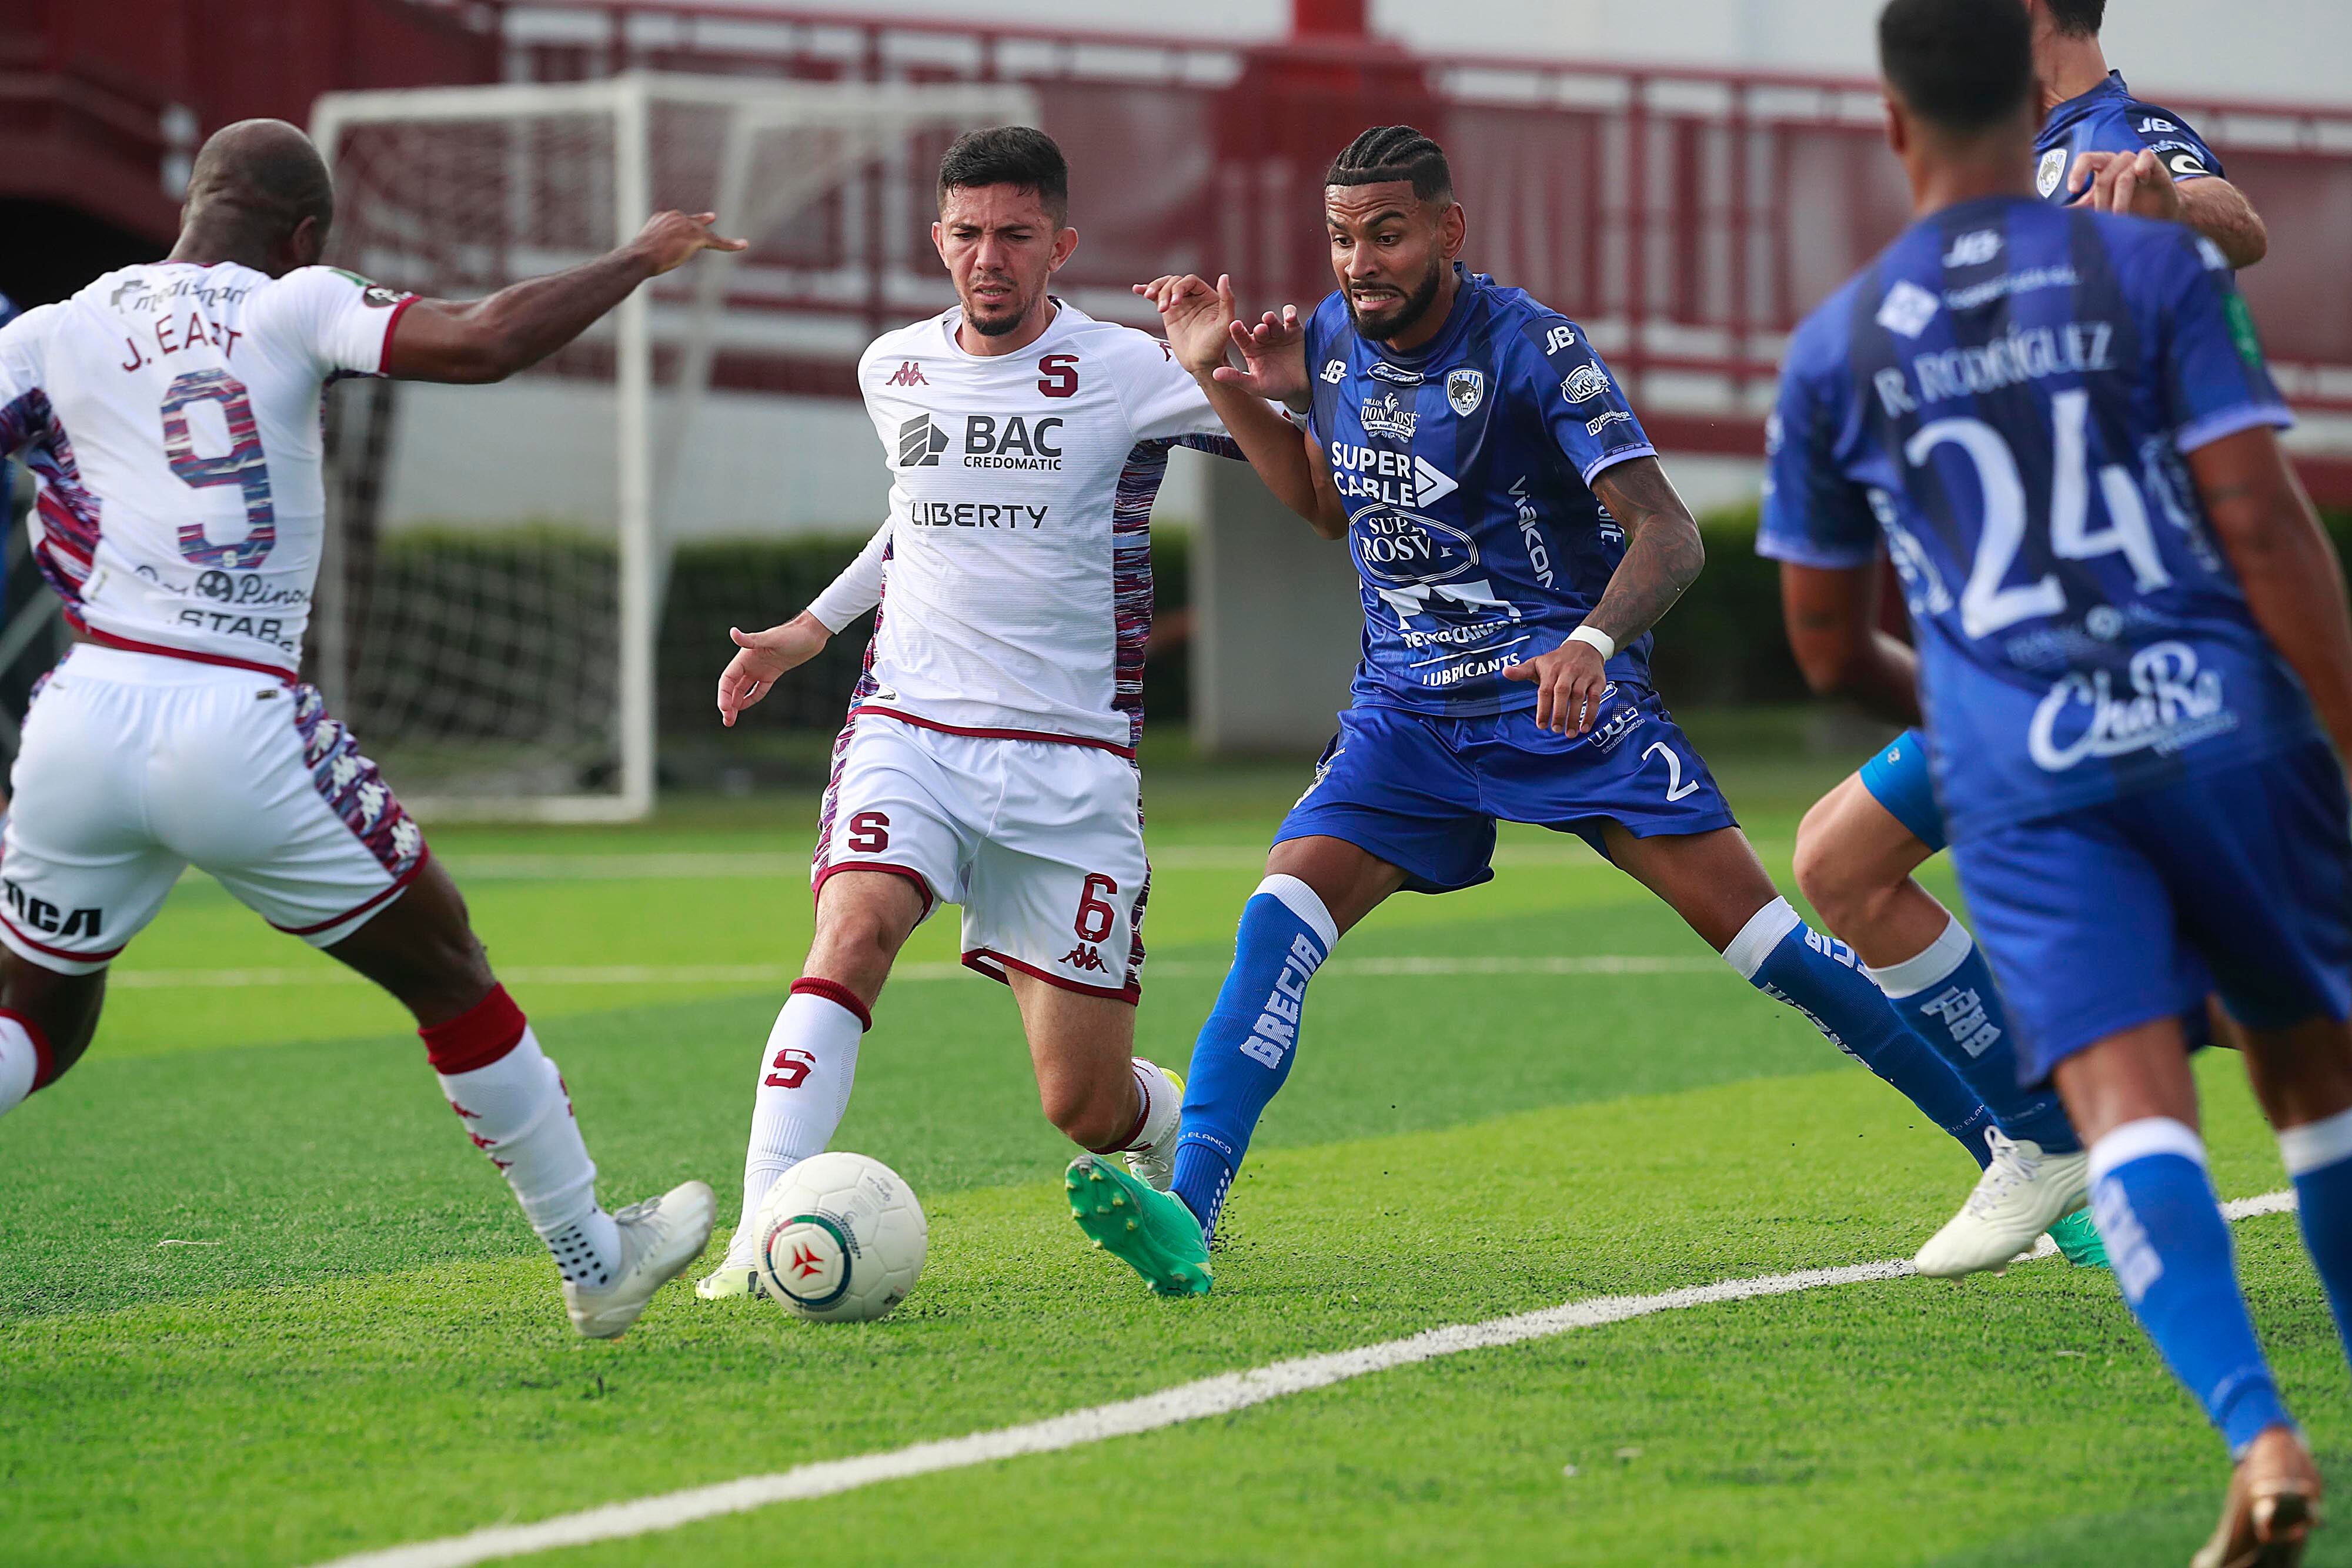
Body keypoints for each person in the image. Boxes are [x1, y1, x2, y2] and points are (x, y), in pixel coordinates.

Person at [1076, 123, 2014, 1298]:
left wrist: (1590, 642)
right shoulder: (1329, 339)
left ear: (1448, 230)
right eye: (1341, 239)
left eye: (1385, 235)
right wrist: (1219, 376)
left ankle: (2018, 1146)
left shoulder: (1534, 349)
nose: (1359, 263)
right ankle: (1190, 1211)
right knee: (1277, 920)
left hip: (1561, 701)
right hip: (1407, 713)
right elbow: (1323, 505)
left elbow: (1668, 535)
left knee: (1768, 945)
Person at [1762, 1, 2352, 1558]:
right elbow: (2264, 518)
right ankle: (2040, 1143)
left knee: (2128, 1103)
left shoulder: (1844, 337)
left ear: (1893, 120)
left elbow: (1820, 640)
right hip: (2212, 706)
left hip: (2029, 742)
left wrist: (1982, 718)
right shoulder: (2133, 261)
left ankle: (2258, 1430)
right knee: (2311, 1087)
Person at [0, 119, 742, 1339]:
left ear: (190, 208)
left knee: (35, 1019)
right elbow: (488, 338)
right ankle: (593, 1257)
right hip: (235, 719)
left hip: (81, 718)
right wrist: (636, 257)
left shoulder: (49, 330)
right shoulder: (292, 302)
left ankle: (599, 1256)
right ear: (304, 235)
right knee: (449, 974)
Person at [696, 127, 1305, 1301]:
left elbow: (1294, 453)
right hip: (911, 728)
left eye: (1015, 235)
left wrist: (1239, 370)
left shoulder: (1128, 370)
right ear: (938, 240)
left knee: (1083, 1104)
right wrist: (812, 628)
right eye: (968, 233)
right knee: (852, 934)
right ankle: (753, 1236)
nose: (989, 257)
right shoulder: (892, 367)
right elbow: (918, 512)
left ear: (1059, 246)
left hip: (1070, 764)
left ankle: (1163, 1130)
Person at [1781, 0, 2273, 1278]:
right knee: (1841, 860)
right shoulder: (2001, 154)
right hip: (2021, 647)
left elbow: (2238, 221)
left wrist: (2165, 195)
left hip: (2138, 643)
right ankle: (2047, 1136)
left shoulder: (2119, 133)